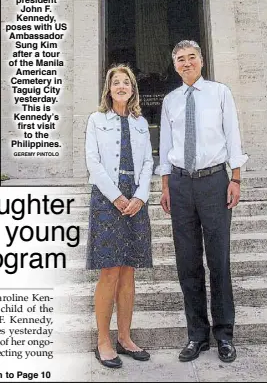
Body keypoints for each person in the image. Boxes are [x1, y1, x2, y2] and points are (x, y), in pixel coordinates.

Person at [159, 40, 248, 363]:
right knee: (188, 263)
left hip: (214, 182)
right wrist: (166, 186)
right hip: (181, 185)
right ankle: (197, 335)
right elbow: (166, 144)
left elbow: (233, 135)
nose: (186, 63)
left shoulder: (220, 93)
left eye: (191, 57)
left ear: (202, 61)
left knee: (219, 260)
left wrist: (235, 178)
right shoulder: (170, 101)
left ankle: (224, 334)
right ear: (175, 65)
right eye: (180, 59)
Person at [85, 64, 153, 369]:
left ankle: (125, 338)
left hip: (136, 200)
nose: (122, 86)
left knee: (128, 272)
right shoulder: (96, 120)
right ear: (109, 89)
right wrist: (117, 196)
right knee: (109, 272)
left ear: (132, 88)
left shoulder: (140, 122)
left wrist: (140, 195)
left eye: (127, 82)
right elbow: (93, 162)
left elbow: (149, 162)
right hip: (106, 198)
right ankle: (103, 341)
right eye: (117, 83)